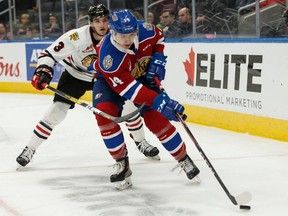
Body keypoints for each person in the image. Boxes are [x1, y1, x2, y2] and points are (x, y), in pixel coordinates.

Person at [16, 4, 160, 168]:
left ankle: (141, 141)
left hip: (106, 77)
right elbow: (49, 54)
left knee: (128, 106)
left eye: (105, 20)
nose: (102, 25)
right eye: (97, 21)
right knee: (57, 111)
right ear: (91, 22)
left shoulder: (122, 36)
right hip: (76, 74)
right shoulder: (77, 37)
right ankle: (30, 148)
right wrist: (43, 70)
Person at [90, 9, 200, 190]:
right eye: (122, 36)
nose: (127, 40)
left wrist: (158, 58)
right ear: (112, 31)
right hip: (110, 82)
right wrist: (159, 101)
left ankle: (183, 159)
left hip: (142, 77)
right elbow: (130, 91)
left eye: (131, 34)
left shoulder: (146, 30)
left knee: (156, 120)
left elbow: (159, 38)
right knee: (104, 116)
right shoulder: (108, 57)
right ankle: (122, 164)